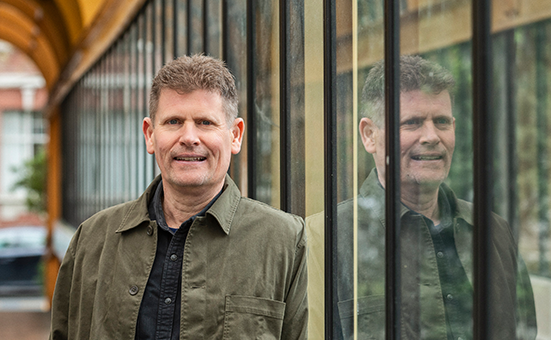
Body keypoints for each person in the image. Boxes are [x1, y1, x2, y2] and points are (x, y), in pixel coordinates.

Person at [49, 54, 308, 340]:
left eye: (205, 123)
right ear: (150, 134)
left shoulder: (285, 242)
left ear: (235, 136)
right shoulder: (92, 240)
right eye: (173, 121)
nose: (189, 137)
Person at [306, 55, 537, 339]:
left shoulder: (495, 232)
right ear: (369, 135)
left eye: (441, 122)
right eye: (412, 123)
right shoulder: (323, 239)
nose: (431, 136)